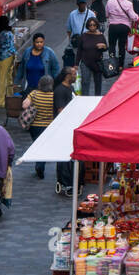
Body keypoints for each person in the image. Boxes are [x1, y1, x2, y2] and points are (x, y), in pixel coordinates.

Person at [23, 74, 55, 179]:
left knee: (37, 144)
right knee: (44, 147)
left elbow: (25, 105)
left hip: (35, 126)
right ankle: (40, 165)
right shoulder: (53, 96)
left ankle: (39, 164)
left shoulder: (34, 94)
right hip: (48, 126)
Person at [53, 66, 79, 196]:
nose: (76, 76)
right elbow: (60, 110)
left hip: (72, 127)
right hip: (64, 128)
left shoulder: (71, 88)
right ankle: (65, 182)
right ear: (67, 75)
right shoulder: (60, 91)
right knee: (64, 156)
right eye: (74, 74)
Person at [106, 0, 137, 69]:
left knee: (112, 45)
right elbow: (133, 17)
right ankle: (120, 65)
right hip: (124, 27)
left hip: (113, 26)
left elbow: (107, 15)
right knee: (121, 46)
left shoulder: (109, 2)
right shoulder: (129, 4)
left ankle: (112, 65)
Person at [77, 16, 107, 96]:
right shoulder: (83, 36)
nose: (92, 27)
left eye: (94, 25)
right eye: (90, 25)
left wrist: (103, 46)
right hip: (85, 63)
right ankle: (84, 100)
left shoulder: (101, 36)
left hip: (97, 63)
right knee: (85, 82)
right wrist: (76, 64)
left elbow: (106, 48)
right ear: (88, 26)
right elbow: (79, 50)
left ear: (97, 25)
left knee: (98, 84)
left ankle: (97, 102)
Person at [0, 23, 17, 110]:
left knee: (2, 78)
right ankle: (10, 96)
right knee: (8, 76)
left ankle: (0, 102)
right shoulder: (10, 32)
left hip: (3, 57)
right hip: (11, 55)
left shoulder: (2, 34)